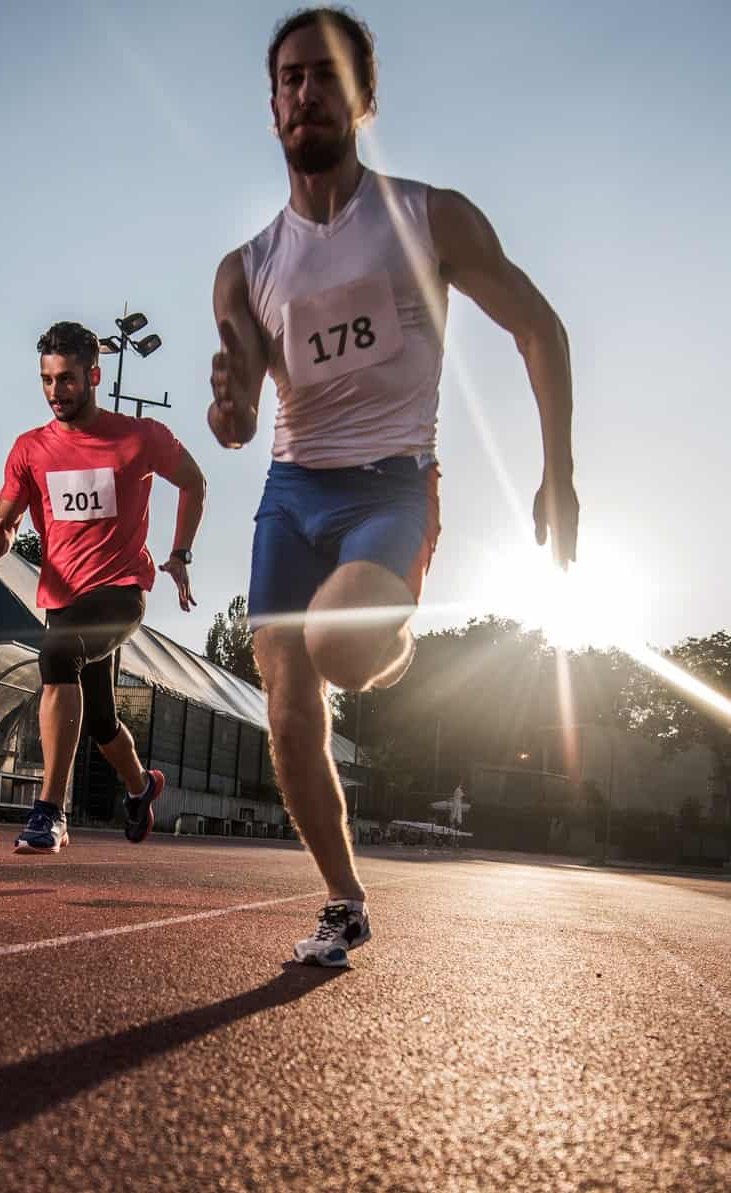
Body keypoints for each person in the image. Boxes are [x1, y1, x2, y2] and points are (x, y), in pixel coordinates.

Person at [208, 8, 579, 964]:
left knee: (335, 648)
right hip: (290, 495)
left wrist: (559, 474)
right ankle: (342, 897)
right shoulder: (245, 268)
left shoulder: (427, 216)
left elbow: (540, 327)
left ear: (364, 99)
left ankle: (389, 626)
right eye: (289, 79)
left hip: (390, 488)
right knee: (286, 709)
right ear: (271, 103)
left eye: (326, 76)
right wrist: (228, 410)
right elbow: (243, 408)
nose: (305, 94)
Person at [0, 320, 207, 853]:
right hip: (64, 598)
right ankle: (141, 787)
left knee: (56, 656)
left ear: (95, 375)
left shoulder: (140, 437)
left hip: (122, 591)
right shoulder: (30, 449)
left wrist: (180, 553)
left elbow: (194, 482)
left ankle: (49, 811)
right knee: (101, 721)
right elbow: (5, 525)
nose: (57, 391)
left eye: (69, 379)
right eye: (48, 380)